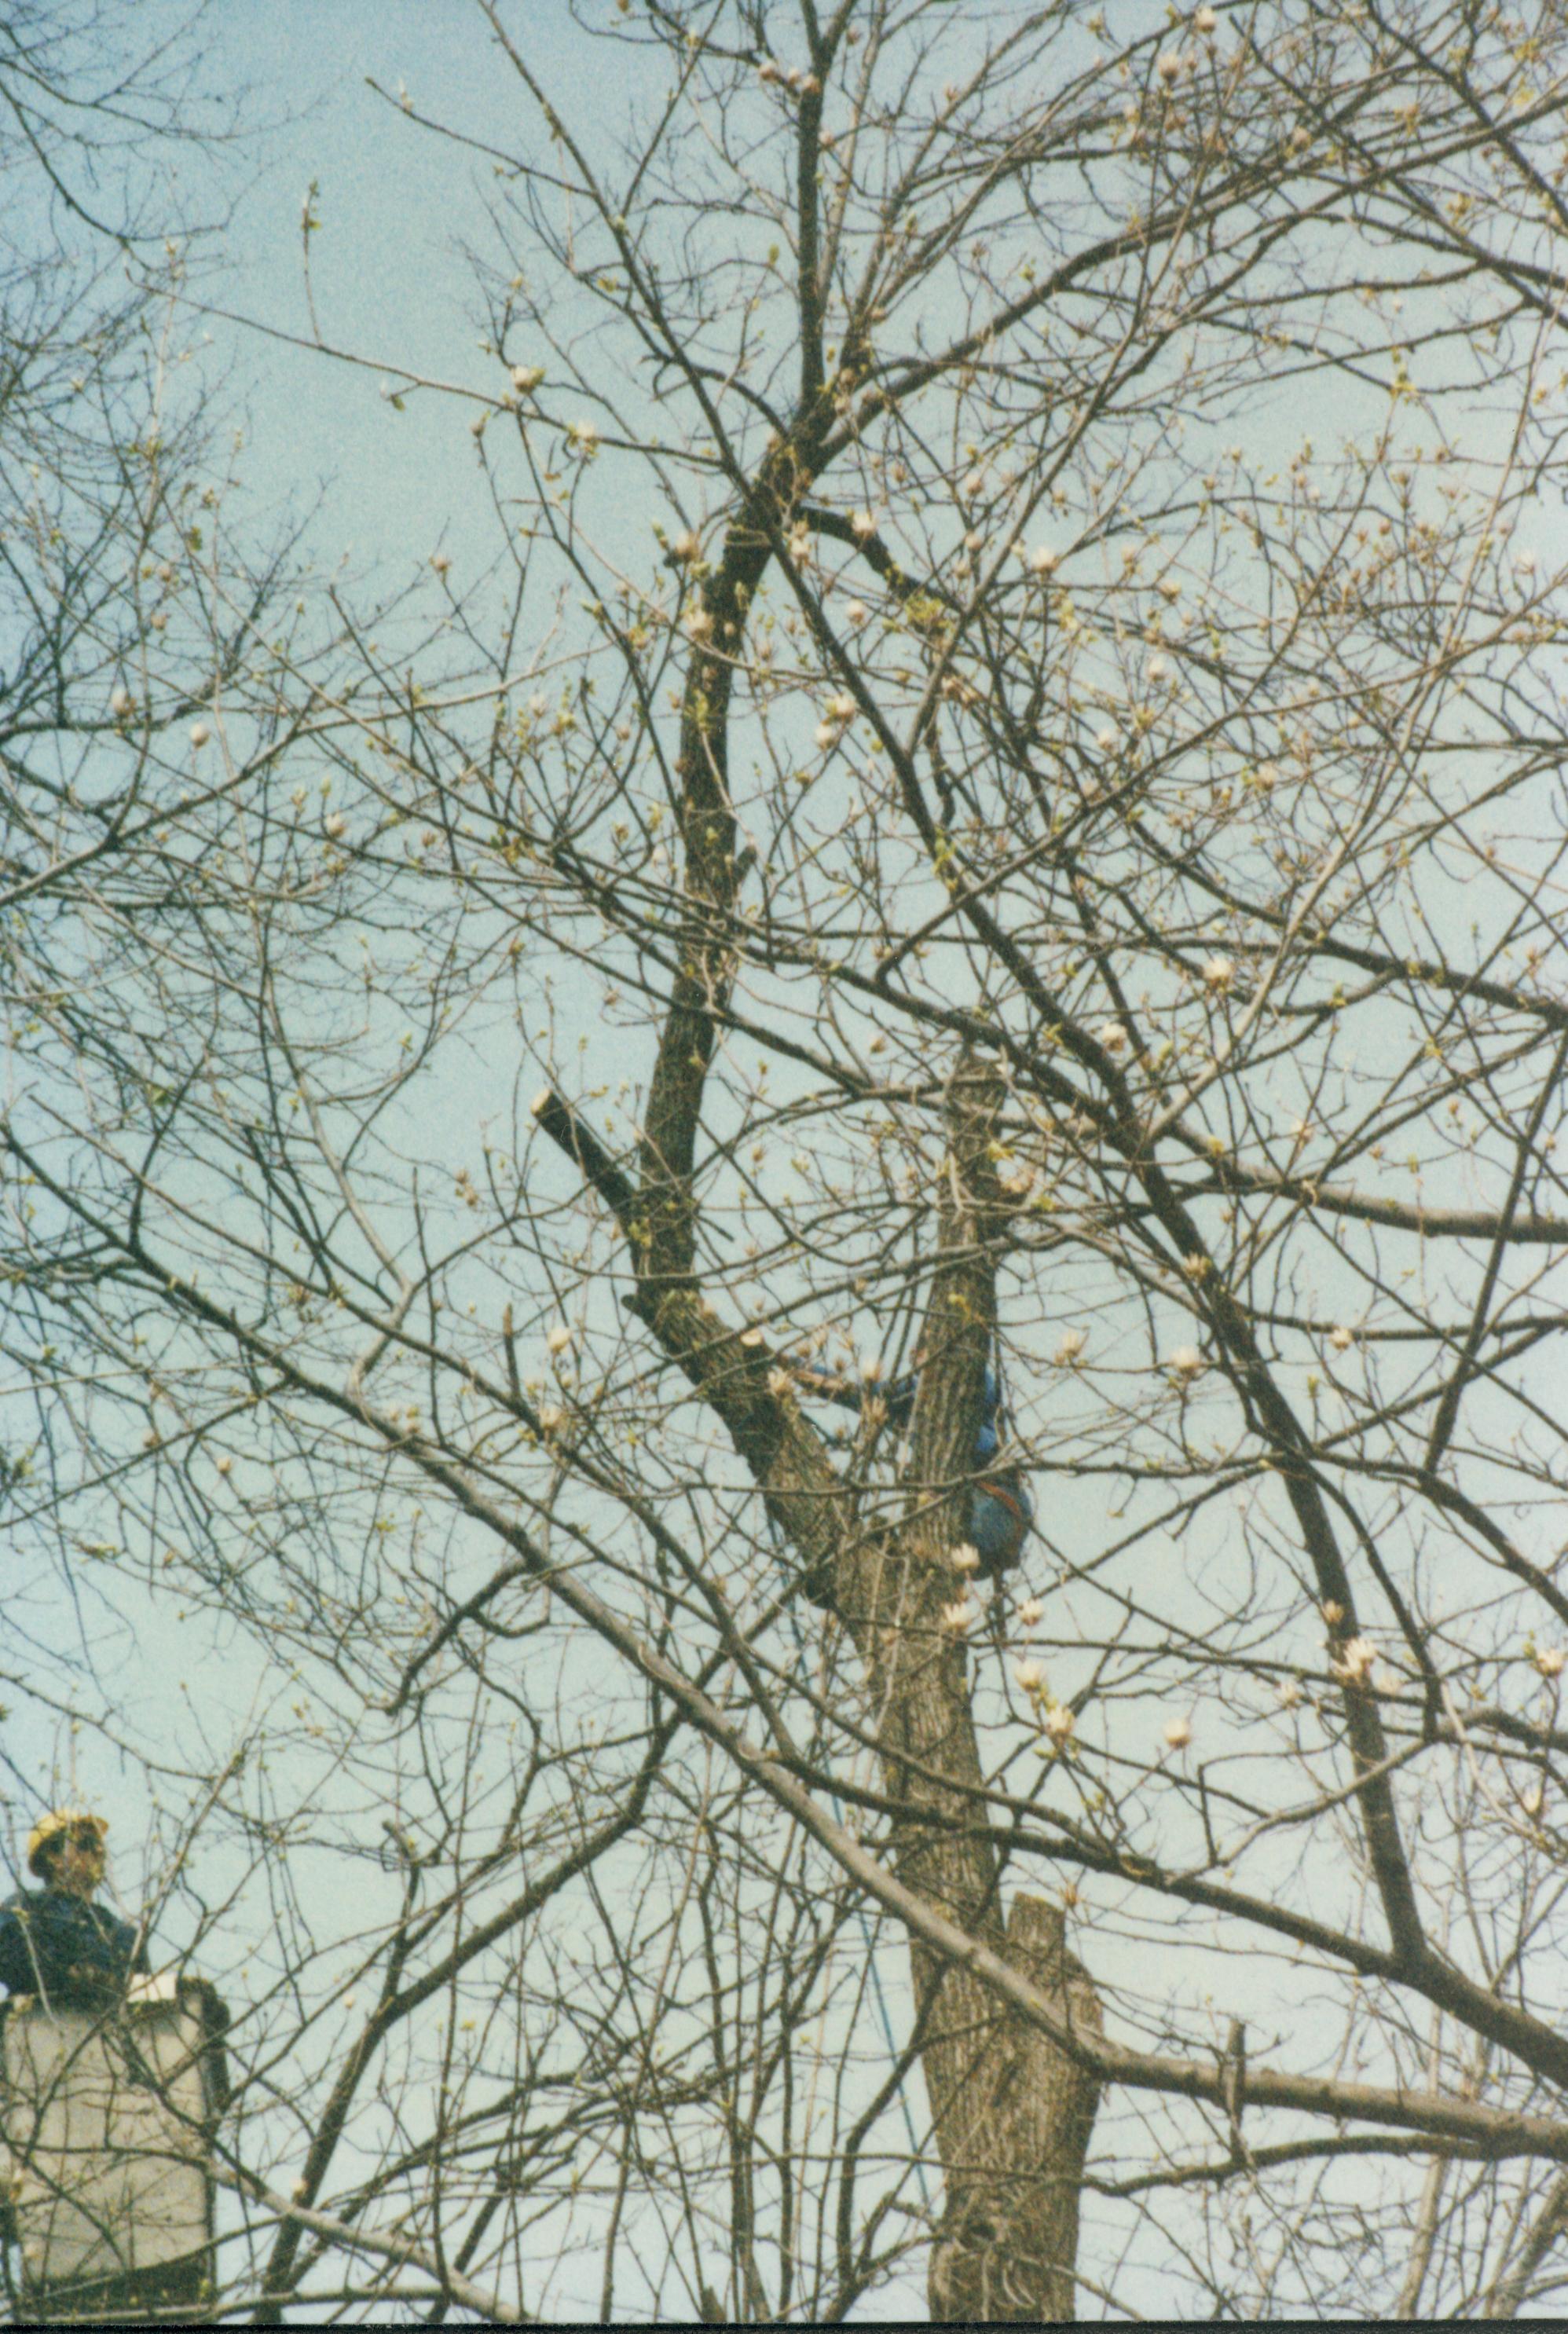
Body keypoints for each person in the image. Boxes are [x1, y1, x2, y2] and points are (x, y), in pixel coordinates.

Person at [789, 1351, 1034, 1578]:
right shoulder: (982, 1418)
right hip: (1007, 1520)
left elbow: (858, 1393)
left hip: (993, 1511)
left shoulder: (931, 1401)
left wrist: (795, 1368)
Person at [0, 1811, 148, 2006]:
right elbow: (13, 1960)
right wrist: (75, 1977)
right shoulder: (27, 1909)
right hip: (46, 2027)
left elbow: (145, 2003)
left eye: (100, 1845)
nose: (99, 1851)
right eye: (86, 1844)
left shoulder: (125, 1936)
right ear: (54, 1858)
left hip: (111, 2033)